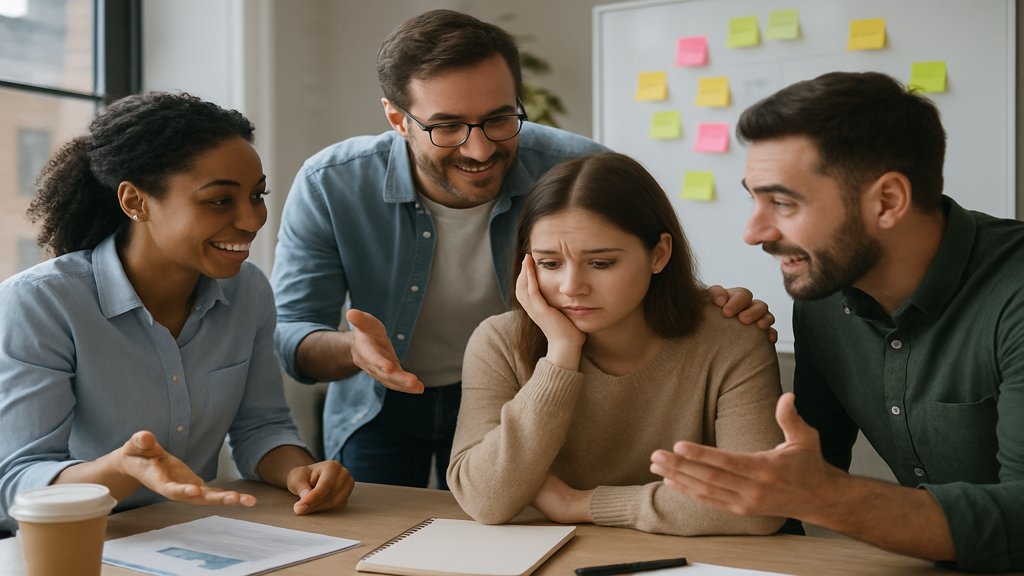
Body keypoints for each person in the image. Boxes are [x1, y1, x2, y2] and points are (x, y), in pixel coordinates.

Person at [271, 9, 777, 490]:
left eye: (499, 118)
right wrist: (351, 350)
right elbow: (291, 330)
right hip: (382, 403)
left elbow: (642, 278)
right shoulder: (331, 184)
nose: (480, 149)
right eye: (447, 126)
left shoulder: (575, 170)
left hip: (521, 390)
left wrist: (718, 309)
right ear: (397, 119)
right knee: (375, 540)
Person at [649, 71, 1024, 572]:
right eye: (753, 198)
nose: (753, 231)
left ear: (887, 201)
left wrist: (828, 498)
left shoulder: (1014, 293)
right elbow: (808, 466)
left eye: (781, 202)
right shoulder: (824, 295)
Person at [0, 92, 354, 535]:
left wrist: (300, 471)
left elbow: (261, 427)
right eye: (220, 201)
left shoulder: (248, 292)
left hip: (190, 538)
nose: (251, 220)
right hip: (80, 546)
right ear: (135, 202)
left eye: (257, 195)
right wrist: (124, 469)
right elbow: (19, 486)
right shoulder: (41, 304)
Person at [446, 151, 785, 536]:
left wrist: (581, 504)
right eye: (550, 264)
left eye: (601, 263)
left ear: (659, 254)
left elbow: (763, 501)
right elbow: (483, 500)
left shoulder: (730, 339)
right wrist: (560, 355)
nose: (572, 287)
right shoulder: (498, 342)